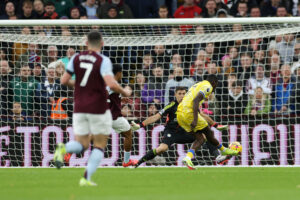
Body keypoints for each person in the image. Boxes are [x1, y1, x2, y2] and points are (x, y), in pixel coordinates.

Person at [53, 31, 131, 186]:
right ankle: (86, 179)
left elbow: (63, 80)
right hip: (97, 107)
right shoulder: (103, 60)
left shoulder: (75, 58)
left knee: (82, 144)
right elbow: (110, 83)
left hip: (79, 107)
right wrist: (124, 92)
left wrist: (83, 85)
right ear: (102, 43)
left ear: (86, 43)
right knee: (100, 144)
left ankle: (63, 148)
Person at [132, 87, 229, 168]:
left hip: (186, 132)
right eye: (179, 93)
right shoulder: (171, 105)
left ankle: (218, 157)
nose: (182, 96)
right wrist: (140, 125)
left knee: (205, 134)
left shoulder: (190, 105)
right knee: (162, 149)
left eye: (184, 93)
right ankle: (139, 161)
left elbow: (203, 115)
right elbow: (156, 116)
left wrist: (215, 125)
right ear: (175, 95)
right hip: (172, 132)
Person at [176, 74, 239, 170]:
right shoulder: (208, 86)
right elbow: (196, 101)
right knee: (209, 132)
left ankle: (188, 158)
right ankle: (223, 150)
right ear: (214, 83)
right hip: (189, 113)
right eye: (216, 85)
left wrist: (214, 124)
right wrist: (195, 120)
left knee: (201, 139)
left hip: (180, 113)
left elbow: (195, 104)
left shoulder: (197, 85)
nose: (214, 89)